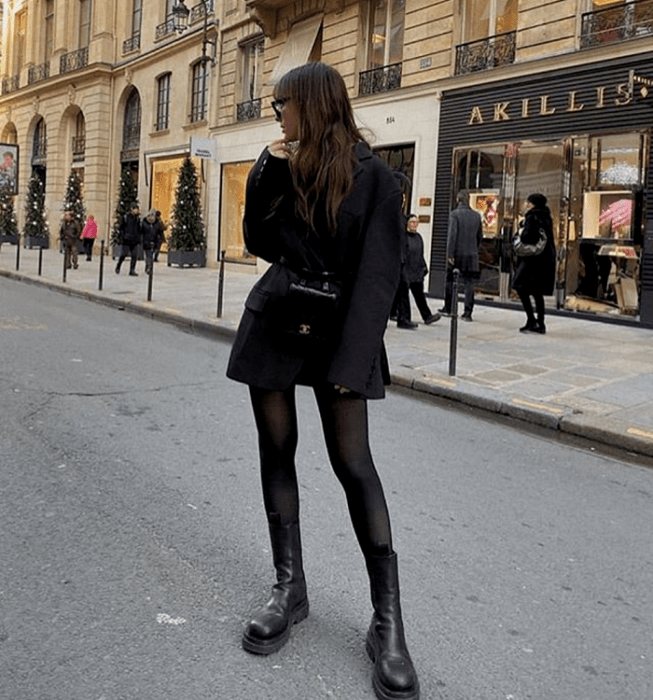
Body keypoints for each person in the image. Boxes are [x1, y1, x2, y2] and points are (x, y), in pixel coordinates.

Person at [226, 62, 420, 700]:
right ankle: (291, 588)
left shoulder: (376, 178)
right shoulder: (284, 163)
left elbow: (377, 279)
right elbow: (259, 239)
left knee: (354, 464)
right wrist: (265, 167)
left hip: (340, 334)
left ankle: (387, 621)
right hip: (279, 319)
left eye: (282, 103)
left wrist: (349, 366)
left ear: (311, 103)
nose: (275, 112)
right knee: (276, 450)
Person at [512, 193, 556, 334]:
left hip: (531, 260)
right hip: (543, 260)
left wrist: (520, 231)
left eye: (529, 202)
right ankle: (540, 323)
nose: (526, 204)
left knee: (521, 288)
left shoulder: (532, 216)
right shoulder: (547, 217)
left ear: (533, 204)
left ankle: (531, 319)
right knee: (537, 293)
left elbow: (527, 237)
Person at [441, 190, 483, 321]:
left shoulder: (454, 214)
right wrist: (474, 249)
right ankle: (467, 313)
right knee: (469, 283)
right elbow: (479, 236)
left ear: (458, 200)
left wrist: (449, 253)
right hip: (472, 254)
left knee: (450, 280)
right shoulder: (477, 216)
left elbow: (452, 235)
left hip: (457, 253)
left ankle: (449, 308)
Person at [396, 214, 441, 329]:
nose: (414, 225)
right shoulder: (403, 237)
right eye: (412, 222)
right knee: (403, 298)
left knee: (420, 295)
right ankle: (404, 319)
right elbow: (401, 255)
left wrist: (423, 268)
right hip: (406, 271)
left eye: (416, 222)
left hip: (416, 271)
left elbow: (420, 255)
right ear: (407, 224)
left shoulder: (419, 237)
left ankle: (427, 316)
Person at [116, 203, 141, 276]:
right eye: (135, 209)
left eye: (137, 209)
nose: (137, 210)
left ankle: (132, 270)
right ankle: (118, 265)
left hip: (134, 240)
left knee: (134, 255)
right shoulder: (126, 217)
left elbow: (139, 229)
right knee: (124, 254)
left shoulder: (138, 219)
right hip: (126, 239)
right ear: (132, 210)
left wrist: (138, 238)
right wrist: (123, 236)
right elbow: (121, 227)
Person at [141, 209, 164, 275]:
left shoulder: (157, 224)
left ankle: (148, 267)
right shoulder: (144, 223)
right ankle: (148, 267)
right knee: (148, 255)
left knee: (151, 255)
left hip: (154, 242)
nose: (151, 217)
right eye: (150, 216)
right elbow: (141, 233)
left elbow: (160, 232)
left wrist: (159, 240)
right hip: (146, 242)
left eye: (153, 216)